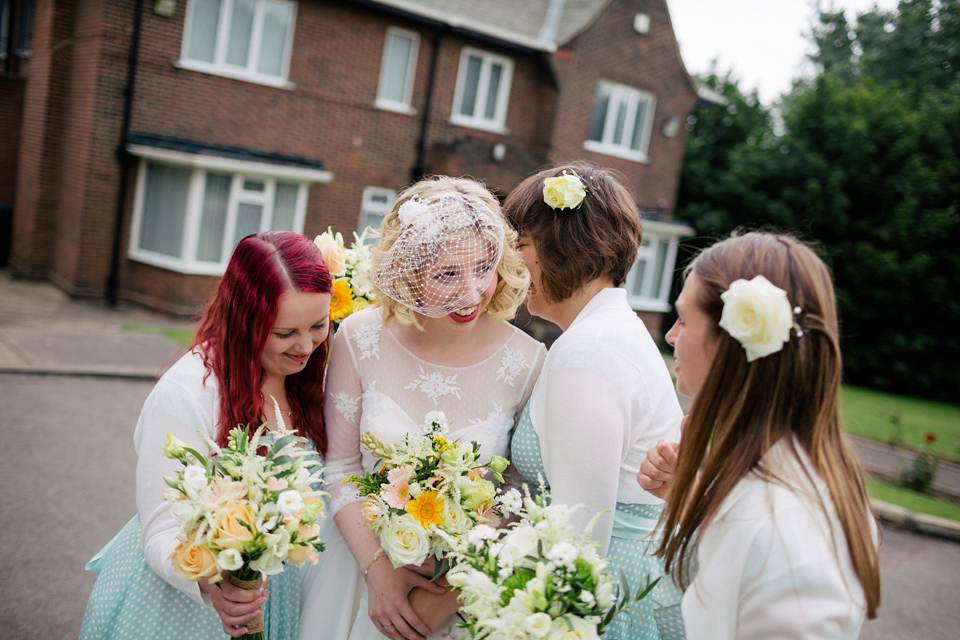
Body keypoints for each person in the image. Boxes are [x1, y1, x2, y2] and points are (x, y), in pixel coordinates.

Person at [298, 176, 547, 640]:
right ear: (408, 271)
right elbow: (340, 466)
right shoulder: (359, 336)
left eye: (483, 268)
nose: (471, 294)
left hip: (462, 590)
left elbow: (520, 489)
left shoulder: (528, 361)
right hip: (357, 572)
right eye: (447, 274)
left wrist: (455, 589)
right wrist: (378, 571)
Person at [79, 231, 333, 640]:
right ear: (244, 320)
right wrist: (213, 586)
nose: (305, 346)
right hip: (181, 609)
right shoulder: (189, 390)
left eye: (319, 324)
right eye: (285, 333)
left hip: (277, 596)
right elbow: (161, 530)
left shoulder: (313, 376)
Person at [640, 231, 881, 639]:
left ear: (731, 341)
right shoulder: (774, 479)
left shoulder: (784, 535)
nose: (671, 336)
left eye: (683, 319)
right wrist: (693, 494)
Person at [499, 162, 686, 640]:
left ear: (559, 248)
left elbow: (580, 538)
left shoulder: (588, 353)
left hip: (601, 605)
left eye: (521, 244)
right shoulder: (609, 332)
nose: (516, 264)